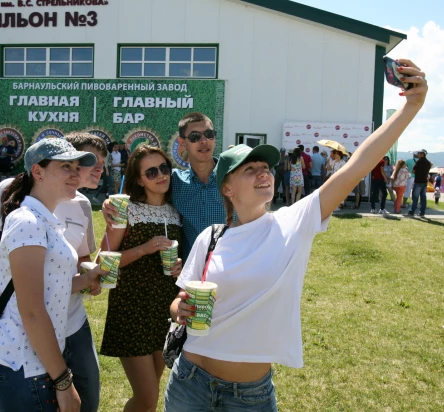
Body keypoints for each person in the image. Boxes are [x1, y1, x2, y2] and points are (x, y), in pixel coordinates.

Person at [164, 59, 427, 411]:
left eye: (266, 168)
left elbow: (357, 166)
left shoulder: (294, 222)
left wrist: (411, 106)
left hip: (249, 396)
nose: (263, 173)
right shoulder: (210, 238)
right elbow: (181, 298)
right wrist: (179, 307)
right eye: (250, 169)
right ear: (226, 187)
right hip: (189, 382)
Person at [0, 133, 108, 411]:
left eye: (76, 166)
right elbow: (31, 310)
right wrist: (64, 381)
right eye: (65, 166)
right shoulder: (28, 222)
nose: (75, 173)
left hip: (33, 362)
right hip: (21, 365)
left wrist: (87, 278)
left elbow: (50, 286)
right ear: (37, 172)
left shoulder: (45, 219)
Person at [100, 146, 183, 412]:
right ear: (138, 179)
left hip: (163, 308)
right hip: (131, 309)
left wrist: (180, 267)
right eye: (151, 171)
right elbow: (103, 260)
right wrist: (144, 249)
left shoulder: (175, 211)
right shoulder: (125, 209)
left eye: (164, 168)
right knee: (147, 397)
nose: (161, 175)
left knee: (151, 395)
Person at [103, 112, 227, 263]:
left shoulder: (233, 179)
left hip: (230, 270)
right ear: (182, 143)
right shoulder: (174, 180)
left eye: (209, 134)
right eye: (195, 136)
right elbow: (139, 186)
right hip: (191, 277)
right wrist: (109, 205)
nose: (204, 141)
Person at [408, 150, 431, 218]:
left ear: (422, 154)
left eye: (419, 153)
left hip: (418, 181)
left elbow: (413, 171)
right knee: (423, 198)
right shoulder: (428, 163)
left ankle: (412, 211)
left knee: (415, 197)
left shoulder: (418, 162)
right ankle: (422, 212)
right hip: (424, 182)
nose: (417, 154)